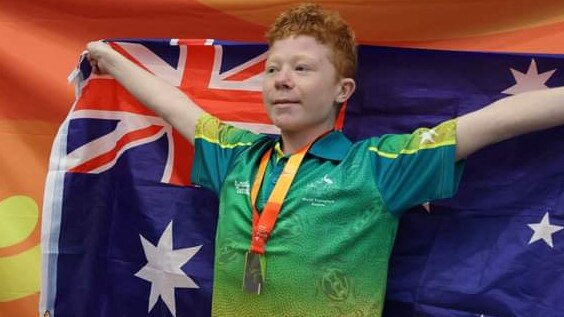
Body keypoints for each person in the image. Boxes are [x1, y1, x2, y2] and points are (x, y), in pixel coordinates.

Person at [86, 3, 564, 316]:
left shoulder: (378, 166)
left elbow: (495, 121)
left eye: (302, 68)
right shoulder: (236, 156)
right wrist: (109, 60)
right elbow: (176, 107)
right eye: (272, 69)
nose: (282, 79)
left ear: (343, 90)